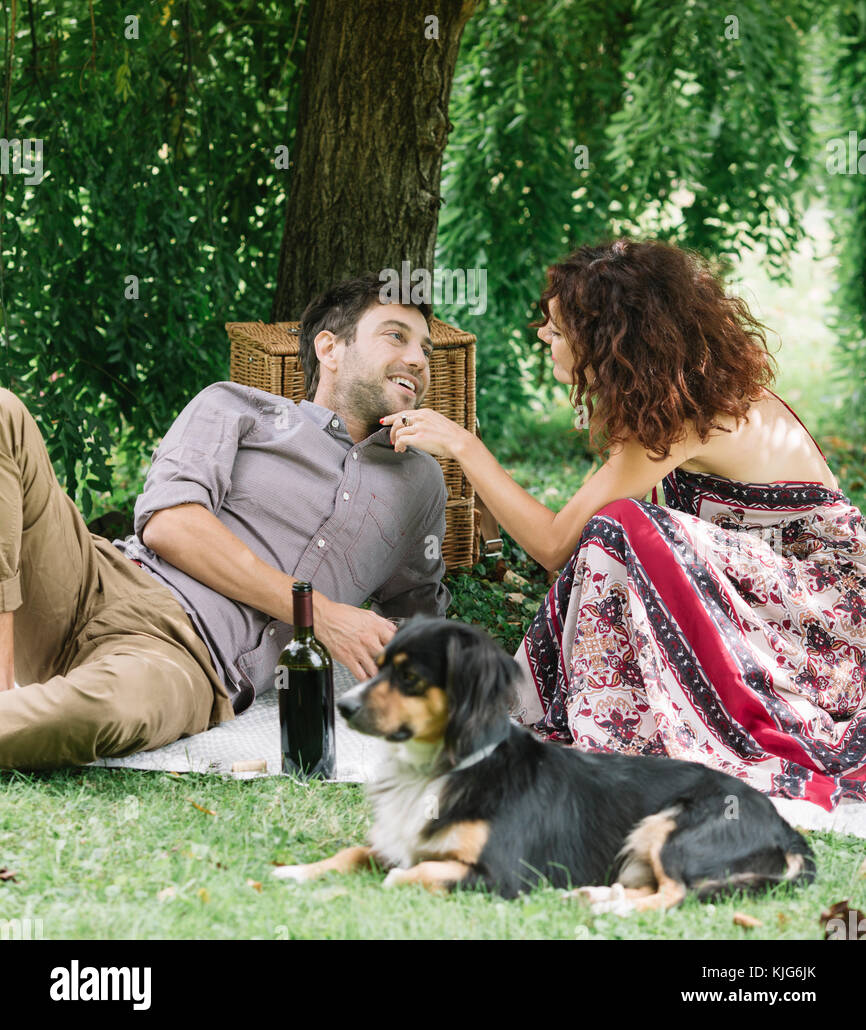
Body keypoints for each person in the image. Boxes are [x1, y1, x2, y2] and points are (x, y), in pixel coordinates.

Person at [382, 238, 866, 810]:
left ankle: (616, 720)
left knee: (622, 528)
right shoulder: (681, 393)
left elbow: (555, 544)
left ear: (606, 343)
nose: (543, 335)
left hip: (825, 626)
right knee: (624, 528)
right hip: (779, 603)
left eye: (558, 330)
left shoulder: (688, 413)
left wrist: (463, 445)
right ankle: (606, 706)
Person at [0, 274, 449, 770]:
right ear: (330, 349)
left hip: (188, 660)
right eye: (395, 336)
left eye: (425, 350)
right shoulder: (236, 406)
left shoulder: (420, 483)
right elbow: (168, 524)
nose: (418, 359)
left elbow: (417, 619)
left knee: (82, 717)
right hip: (97, 580)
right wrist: (320, 614)